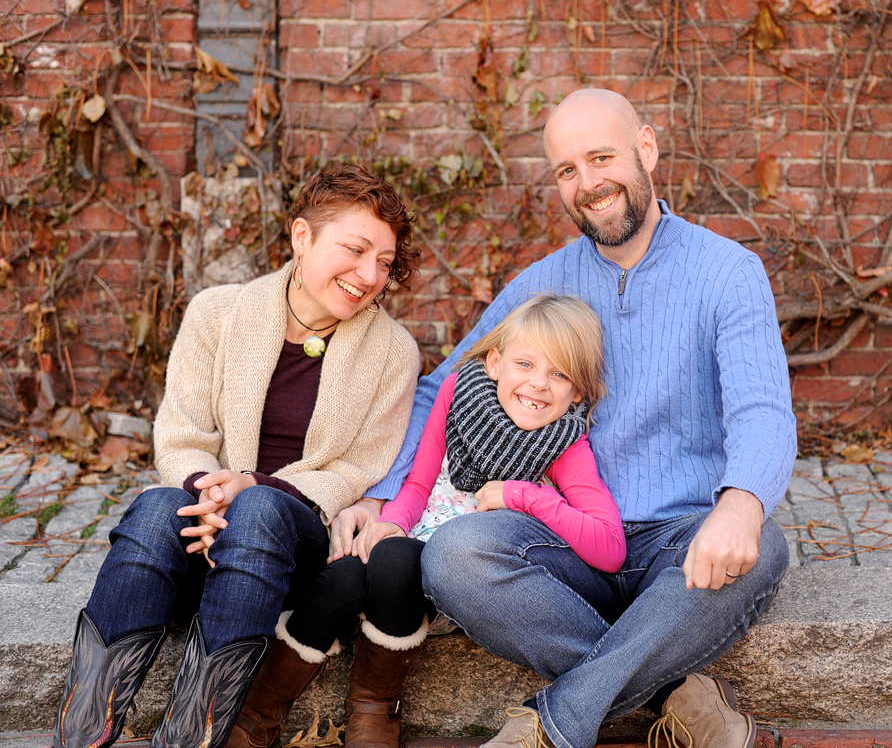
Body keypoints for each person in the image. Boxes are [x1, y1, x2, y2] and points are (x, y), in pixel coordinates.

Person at [374, 89, 797, 748]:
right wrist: (380, 497)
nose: (588, 183)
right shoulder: (541, 287)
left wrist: (741, 504)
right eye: (567, 170)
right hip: (566, 539)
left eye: (602, 157)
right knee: (456, 556)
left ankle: (550, 725)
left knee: (764, 545)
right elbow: (440, 390)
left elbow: (762, 406)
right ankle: (675, 693)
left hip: (681, 546)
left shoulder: (726, 273)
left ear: (646, 149)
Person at [52, 164, 421, 748]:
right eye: (354, 250)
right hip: (205, 523)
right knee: (153, 511)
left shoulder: (393, 352)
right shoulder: (217, 313)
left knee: (260, 513)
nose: (368, 274)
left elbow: (360, 468)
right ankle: (81, 737)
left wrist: (252, 487)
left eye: (383, 260)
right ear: (302, 237)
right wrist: (211, 489)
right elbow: (180, 432)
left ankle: (192, 738)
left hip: (291, 545)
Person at [230, 293, 626, 748]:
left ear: (577, 391)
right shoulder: (458, 395)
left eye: (559, 374)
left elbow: (611, 548)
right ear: (495, 362)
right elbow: (419, 485)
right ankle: (258, 715)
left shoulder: (565, 445)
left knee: (396, 559)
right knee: (346, 574)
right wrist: (392, 521)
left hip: (457, 575)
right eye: (526, 364)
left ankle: (374, 707)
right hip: (412, 537)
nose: (538, 385)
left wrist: (528, 496)